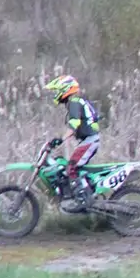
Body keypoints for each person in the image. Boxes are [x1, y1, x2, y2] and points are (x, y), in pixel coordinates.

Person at [44, 75, 102, 210]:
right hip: (89, 140)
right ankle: (84, 193)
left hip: (89, 140)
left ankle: (83, 200)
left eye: (57, 90)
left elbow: (74, 123)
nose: (56, 94)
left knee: (72, 167)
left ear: (66, 89)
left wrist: (61, 139)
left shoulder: (74, 101)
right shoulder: (79, 100)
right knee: (70, 166)